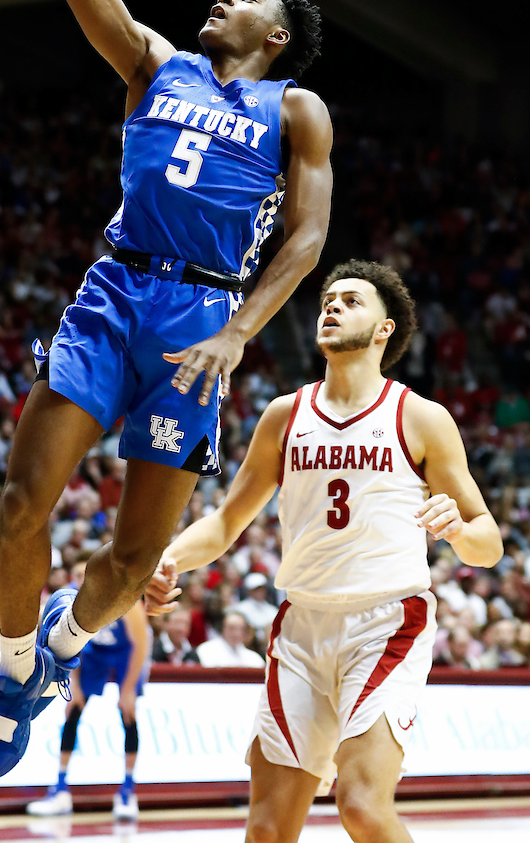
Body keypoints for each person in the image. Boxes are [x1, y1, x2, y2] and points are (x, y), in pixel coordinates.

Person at [0, 0, 333, 780]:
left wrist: (237, 332)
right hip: (113, 291)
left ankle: (65, 644)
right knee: (18, 502)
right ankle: (13, 673)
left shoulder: (292, 110)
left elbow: (304, 240)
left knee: (134, 560)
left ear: (275, 36)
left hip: (200, 319)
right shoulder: (150, 61)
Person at [145, 259, 502, 843]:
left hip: (387, 622)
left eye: (352, 301)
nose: (332, 307)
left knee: (361, 807)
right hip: (302, 623)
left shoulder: (419, 417)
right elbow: (226, 521)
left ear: (385, 329)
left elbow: (489, 545)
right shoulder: (285, 414)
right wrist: (167, 559)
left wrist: (460, 530)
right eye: (328, 300)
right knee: (266, 830)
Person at [27, 571, 149, 822]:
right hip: (92, 650)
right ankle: (60, 790)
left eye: (88, 573)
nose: (84, 579)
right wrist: (74, 684)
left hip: (127, 649)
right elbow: (69, 641)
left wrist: (127, 690)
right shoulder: (71, 597)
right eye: (79, 575)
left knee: (128, 711)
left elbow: (141, 644)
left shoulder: (126, 599)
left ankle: (127, 792)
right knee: (73, 708)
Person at [196, 609, 264, 668]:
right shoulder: (207, 650)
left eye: (241, 629)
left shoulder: (253, 658)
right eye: (232, 628)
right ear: (222, 628)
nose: (237, 633)